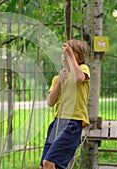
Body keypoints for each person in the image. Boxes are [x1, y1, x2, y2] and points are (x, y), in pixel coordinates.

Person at [39, 39, 90, 169]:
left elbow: (79, 79)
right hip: (57, 123)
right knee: (43, 166)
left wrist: (70, 55)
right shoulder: (57, 78)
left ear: (80, 58)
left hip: (72, 123)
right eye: (64, 54)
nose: (65, 56)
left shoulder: (83, 70)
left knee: (49, 163)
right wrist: (59, 82)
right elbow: (50, 102)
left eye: (71, 54)